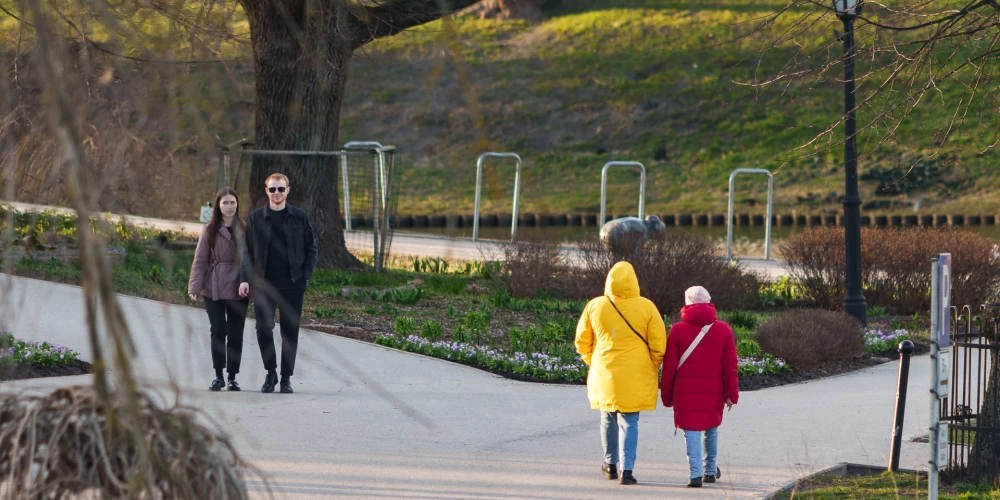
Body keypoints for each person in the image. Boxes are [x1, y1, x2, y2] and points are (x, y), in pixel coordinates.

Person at [574, 261, 666, 486]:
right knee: (630, 420)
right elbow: (659, 344)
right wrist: (651, 365)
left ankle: (610, 464)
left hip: (605, 369)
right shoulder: (647, 307)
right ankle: (627, 470)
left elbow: (582, 341)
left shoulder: (595, 306)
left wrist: (592, 361)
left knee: (607, 417)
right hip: (636, 373)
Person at [239, 173, 318, 394]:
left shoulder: (299, 216)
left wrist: (306, 276)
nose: (276, 193)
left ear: (288, 190)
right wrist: (245, 279)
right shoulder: (255, 217)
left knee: (290, 332)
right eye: (272, 189)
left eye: (280, 189)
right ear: (266, 191)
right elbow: (247, 251)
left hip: (293, 283)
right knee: (263, 327)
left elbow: (311, 247)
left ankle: (285, 378)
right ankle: (271, 372)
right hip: (264, 284)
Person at [660, 286, 739, 488]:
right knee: (711, 428)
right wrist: (731, 394)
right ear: (709, 302)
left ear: (687, 304)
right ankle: (710, 471)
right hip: (714, 390)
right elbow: (730, 366)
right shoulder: (723, 329)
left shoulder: (677, 330)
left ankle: (695, 474)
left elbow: (669, 368)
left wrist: (667, 396)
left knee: (691, 430)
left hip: (684, 391)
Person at [188, 187, 248, 392]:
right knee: (218, 330)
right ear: (218, 205)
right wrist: (194, 286)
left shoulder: (245, 228)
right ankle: (218, 375)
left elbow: (250, 261)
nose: (229, 206)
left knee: (236, 333)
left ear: (237, 204)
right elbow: (200, 259)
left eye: (233, 202)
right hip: (212, 286)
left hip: (238, 286)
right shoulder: (209, 229)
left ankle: (232, 377)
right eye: (225, 203)